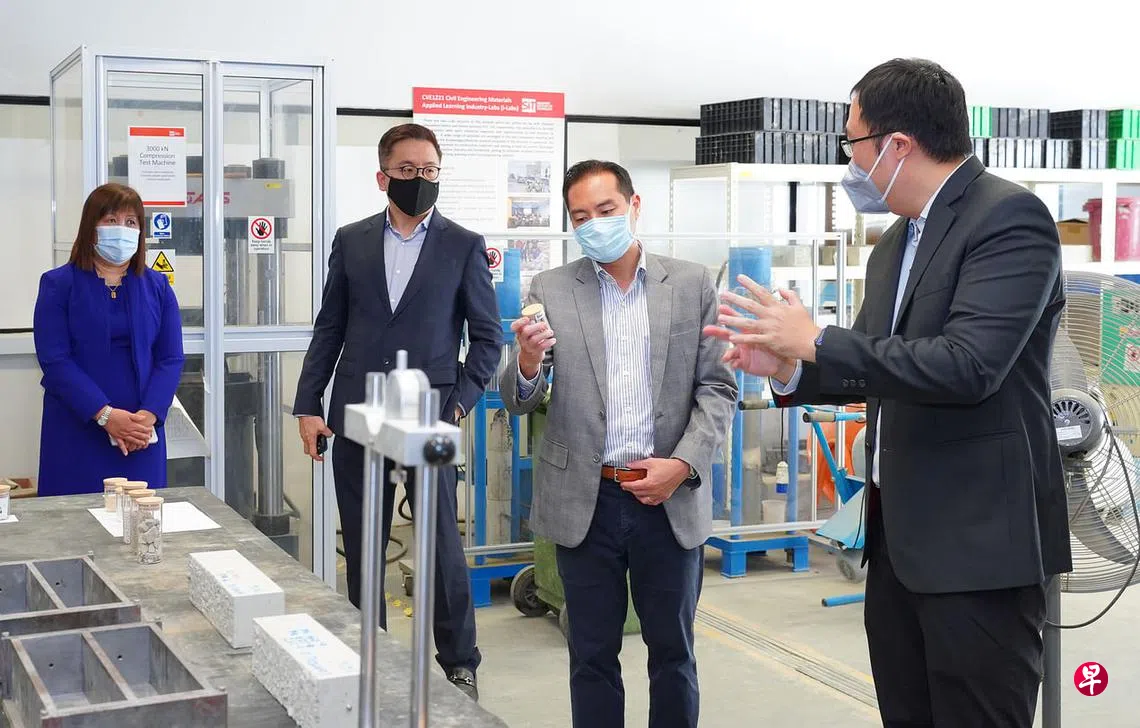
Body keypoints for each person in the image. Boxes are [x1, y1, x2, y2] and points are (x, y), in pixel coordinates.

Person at [704, 58, 1071, 728]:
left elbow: (969, 365)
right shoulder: (896, 241)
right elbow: (873, 365)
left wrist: (817, 338)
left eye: (853, 142)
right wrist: (787, 365)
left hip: (978, 550)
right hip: (899, 546)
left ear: (897, 145)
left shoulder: (1008, 218)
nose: (851, 162)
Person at [500, 160, 737, 728]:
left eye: (605, 210)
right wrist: (527, 361)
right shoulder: (552, 288)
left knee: (673, 654)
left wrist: (682, 465)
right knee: (591, 656)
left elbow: (719, 388)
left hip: (667, 498)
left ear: (634, 206)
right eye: (580, 216)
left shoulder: (692, 283)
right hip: (588, 499)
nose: (594, 224)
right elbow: (521, 399)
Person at [293, 122, 501, 700]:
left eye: (429, 170)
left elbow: (487, 339)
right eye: (407, 170)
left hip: (429, 416)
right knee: (364, 542)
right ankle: (372, 656)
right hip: (357, 411)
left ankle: (459, 660)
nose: (420, 179)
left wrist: (456, 406)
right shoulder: (352, 240)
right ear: (383, 177)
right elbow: (330, 327)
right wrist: (308, 404)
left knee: (440, 542)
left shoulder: (463, 244)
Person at [33, 182, 185, 496]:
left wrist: (148, 416)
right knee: (72, 520)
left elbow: (170, 358)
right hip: (78, 430)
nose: (122, 229)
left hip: (140, 436)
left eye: (131, 222)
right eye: (112, 220)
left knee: (140, 516)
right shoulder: (58, 285)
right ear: (91, 227)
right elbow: (55, 360)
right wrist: (105, 415)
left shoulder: (158, 287)